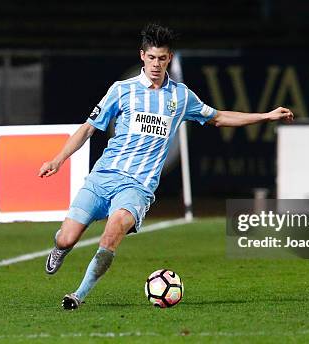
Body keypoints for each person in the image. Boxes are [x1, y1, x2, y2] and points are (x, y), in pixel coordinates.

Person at [38, 23, 294, 310]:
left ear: (169, 58)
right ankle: (60, 248)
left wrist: (265, 116)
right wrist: (58, 159)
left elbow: (219, 117)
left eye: (162, 58)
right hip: (102, 178)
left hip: (137, 187)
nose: (156, 64)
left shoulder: (181, 96)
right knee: (67, 236)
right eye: (151, 57)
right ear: (142, 56)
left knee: (113, 232)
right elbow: (87, 129)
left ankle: (78, 295)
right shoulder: (122, 90)